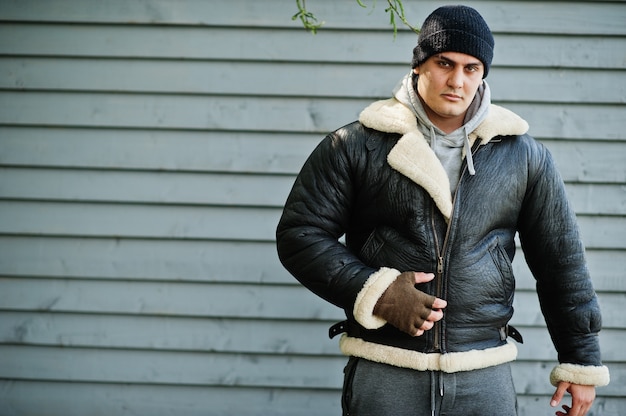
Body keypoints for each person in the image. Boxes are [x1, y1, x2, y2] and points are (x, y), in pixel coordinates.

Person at [276, 5, 609, 416]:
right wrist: (376, 292)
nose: (457, 81)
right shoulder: (355, 145)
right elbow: (300, 235)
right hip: (386, 367)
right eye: (444, 63)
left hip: (483, 372)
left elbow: (561, 261)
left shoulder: (525, 156)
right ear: (419, 66)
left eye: (472, 68)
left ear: (483, 74)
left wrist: (580, 360)